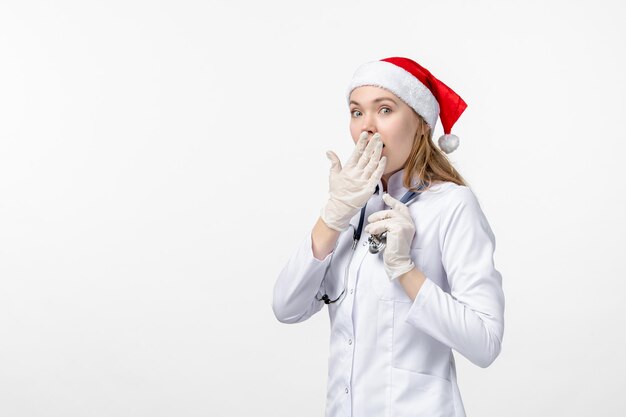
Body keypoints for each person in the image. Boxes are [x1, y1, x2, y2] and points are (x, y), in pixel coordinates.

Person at [272, 56, 505, 417]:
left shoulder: (452, 205)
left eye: (384, 110)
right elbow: (286, 308)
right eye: (356, 112)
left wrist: (405, 270)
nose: (367, 128)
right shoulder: (352, 205)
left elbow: (485, 342)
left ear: (421, 124)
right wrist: (332, 217)